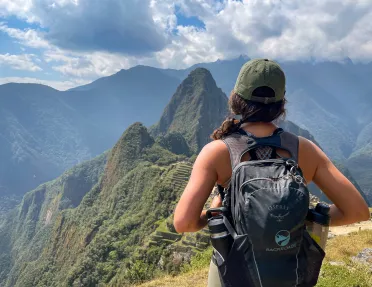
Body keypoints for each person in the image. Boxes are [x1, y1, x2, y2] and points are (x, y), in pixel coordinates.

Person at [173, 58, 370, 286]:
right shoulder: (304, 149)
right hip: (287, 272)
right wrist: (294, 220)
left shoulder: (217, 152)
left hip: (233, 272)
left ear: (236, 98)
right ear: (281, 103)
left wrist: (215, 212)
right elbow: (357, 212)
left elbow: (184, 223)